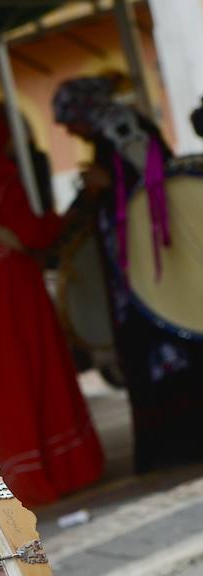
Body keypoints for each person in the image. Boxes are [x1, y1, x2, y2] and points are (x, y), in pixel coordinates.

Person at [0, 113, 103, 504]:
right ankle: (63, 468)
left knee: (1, 386)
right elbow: (37, 234)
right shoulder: (4, 185)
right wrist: (81, 205)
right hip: (18, 298)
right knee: (36, 371)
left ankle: (17, 475)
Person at [53, 76, 203, 473]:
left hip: (150, 261)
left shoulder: (122, 129)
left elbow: (155, 181)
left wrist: (107, 183)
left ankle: (180, 444)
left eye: (69, 120)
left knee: (164, 347)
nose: (68, 131)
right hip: (134, 263)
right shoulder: (108, 134)